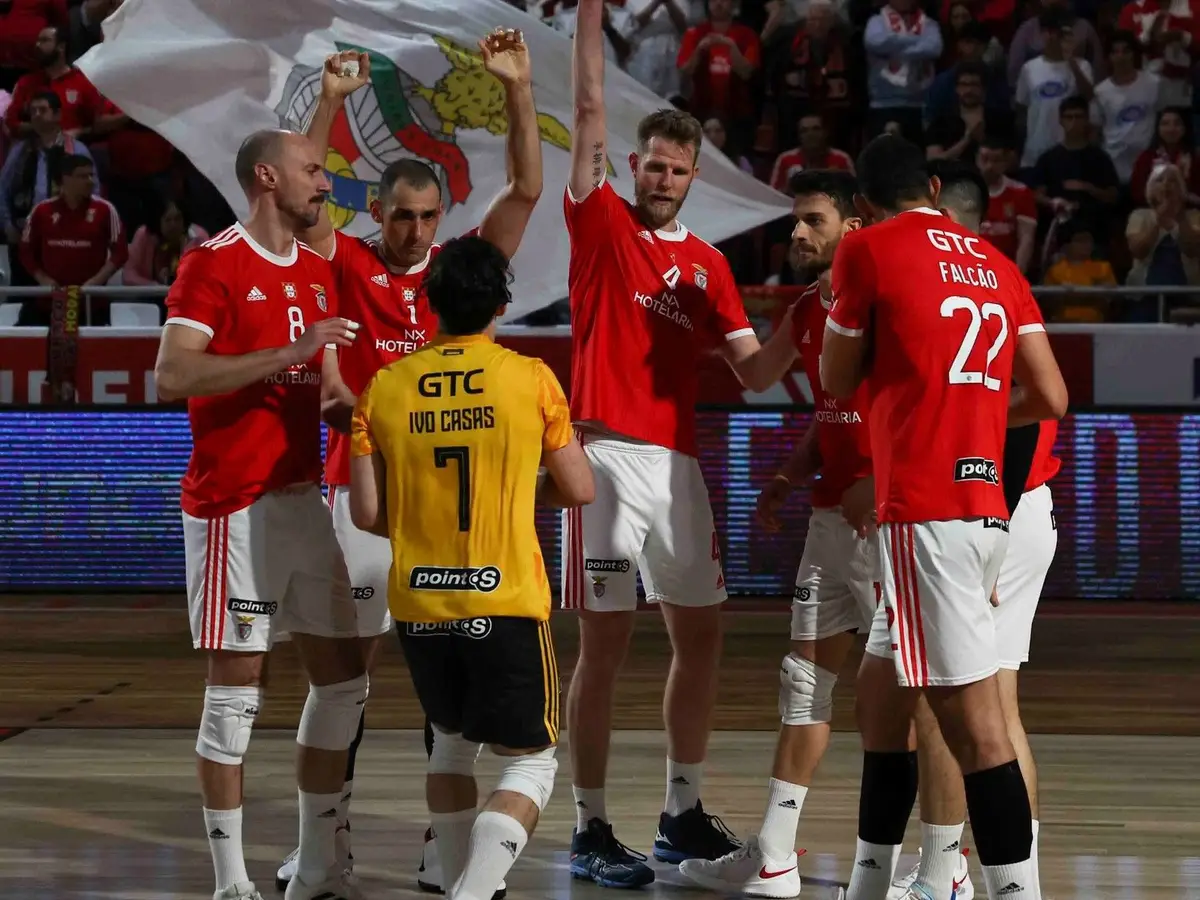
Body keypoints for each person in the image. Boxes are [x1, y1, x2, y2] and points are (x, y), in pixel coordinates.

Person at [275, 27, 543, 893]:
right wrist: (329, 103)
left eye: (429, 216)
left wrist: (514, 88)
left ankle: (448, 850)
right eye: (402, 215)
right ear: (377, 211)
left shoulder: (460, 274)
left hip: (437, 511)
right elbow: (293, 197)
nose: (417, 229)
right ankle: (321, 850)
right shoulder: (346, 260)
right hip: (356, 497)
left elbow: (528, 187)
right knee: (344, 683)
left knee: (451, 685)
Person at [563, 0, 802, 887]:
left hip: (679, 467)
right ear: (632, 166)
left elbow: (754, 372)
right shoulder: (599, 224)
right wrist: (591, 12)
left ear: (696, 174)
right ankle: (589, 825)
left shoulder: (709, 264)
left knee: (701, 638)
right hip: (605, 460)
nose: (663, 178)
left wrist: (815, 313)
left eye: (677, 169)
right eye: (652, 165)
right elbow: (587, 104)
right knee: (606, 648)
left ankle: (680, 811)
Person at [821, 135, 1068, 900]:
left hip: (925, 512)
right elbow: (1052, 399)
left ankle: (1012, 892)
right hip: (988, 503)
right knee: (881, 687)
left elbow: (835, 379)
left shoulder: (865, 251)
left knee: (976, 728)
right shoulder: (996, 263)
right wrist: (973, 416)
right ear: (933, 185)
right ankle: (869, 878)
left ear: (861, 204)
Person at [154, 128, 368, 900]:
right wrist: (289, 352)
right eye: (315, 172)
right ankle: (230, 882)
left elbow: (333, 393)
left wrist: (389, 421)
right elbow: (171, 375)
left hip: (299, 500)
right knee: (236, 691)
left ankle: (317, 863)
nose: (326, 185)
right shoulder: (212, 262)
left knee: (345, 680)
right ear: (268, 177)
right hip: (232, 508)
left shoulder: (317, 273)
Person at [347, 234, 595, 900]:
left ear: (432, 304)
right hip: (504, 599)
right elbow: (579, 489)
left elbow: (367, 513)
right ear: (501, 306)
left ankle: (460, 878)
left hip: (419, 605)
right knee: (533, 763)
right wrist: (516, 484)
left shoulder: (384, 388)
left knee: (450, 746)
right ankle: (474, 890)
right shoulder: (531, 378)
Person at [678, 168, 874, 898]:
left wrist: (881, 483)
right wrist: (792, 475)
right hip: (831, 517)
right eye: (796, 221)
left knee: (910, 692)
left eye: (814, 220)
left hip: (890, 519)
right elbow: (759, 374)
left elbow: (919, 411)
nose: (797, 232)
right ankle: (776, 856)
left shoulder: (881, 302)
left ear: (853, 227)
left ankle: (934, 862)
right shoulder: (805, 306)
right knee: (802, 684)